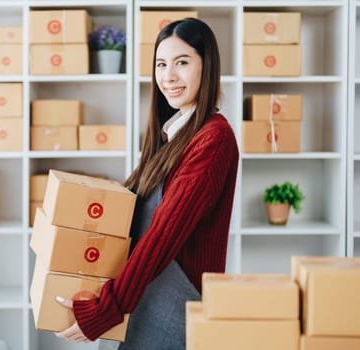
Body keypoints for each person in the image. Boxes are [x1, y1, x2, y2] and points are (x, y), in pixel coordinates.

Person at [55, 17, 239, 349]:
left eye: (182, 63)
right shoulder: (173, 135)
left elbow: (164, 236)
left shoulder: (214, 138)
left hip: (176, 308)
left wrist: (108, 308)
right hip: (145, 300)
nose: (169, 76)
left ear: (206, 66)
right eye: (161, 64)